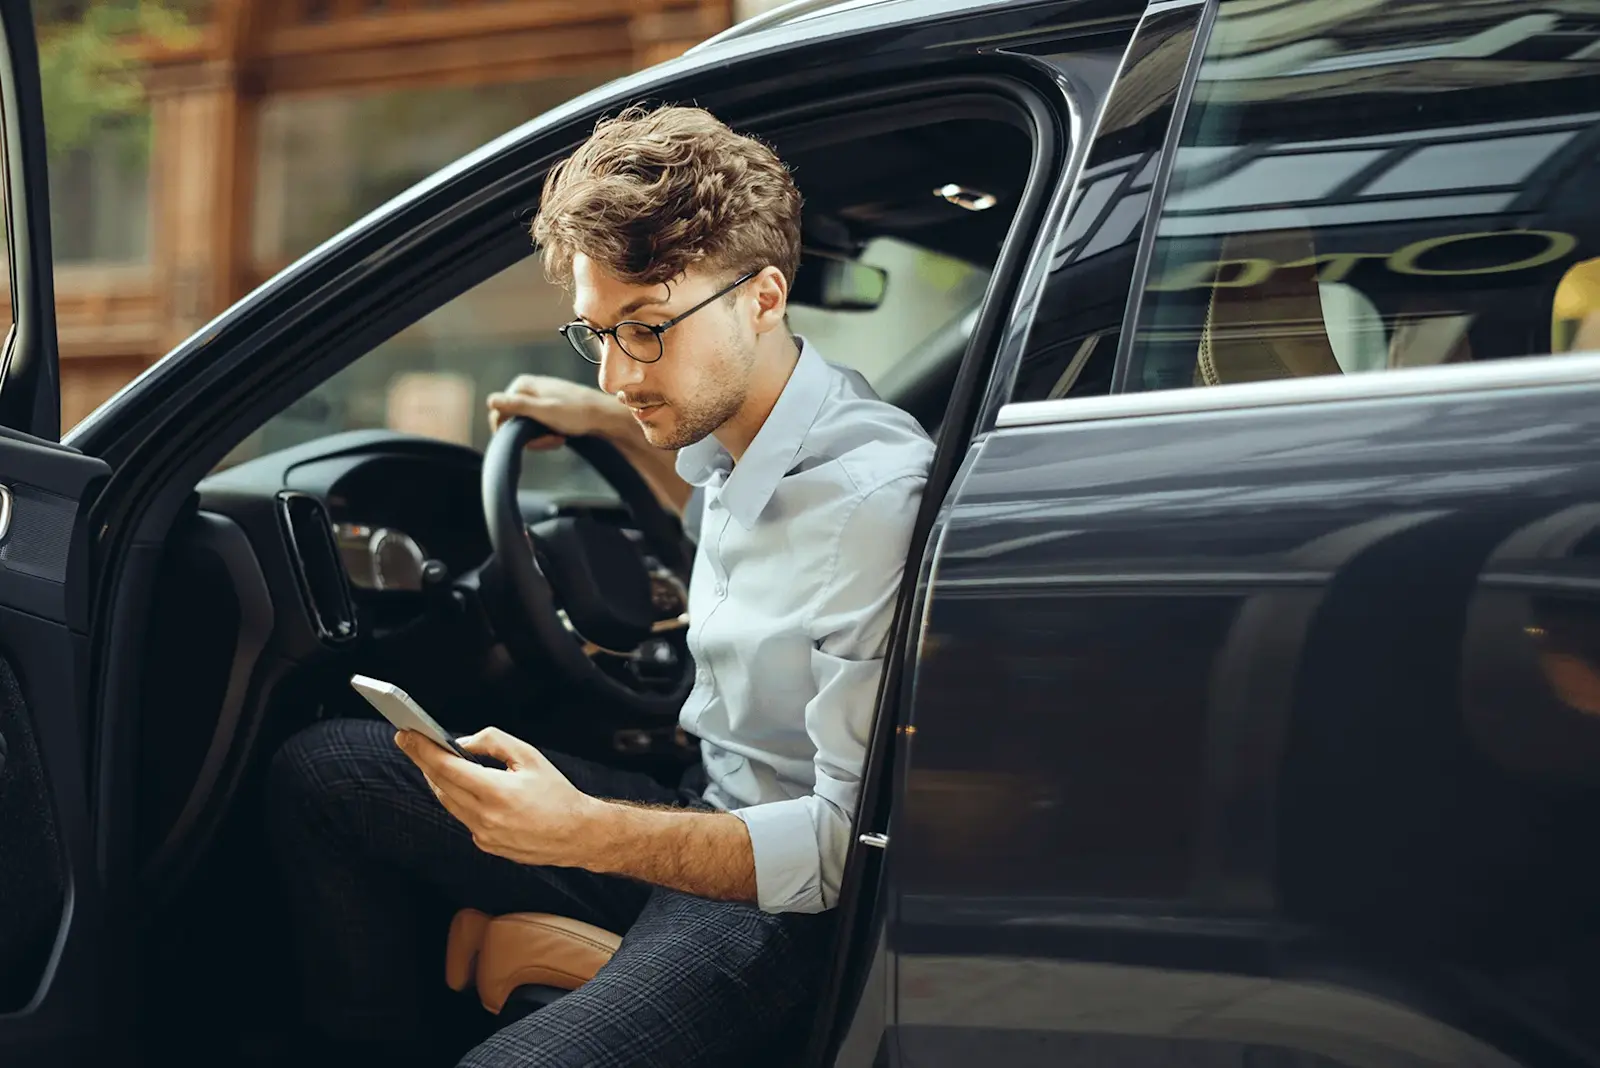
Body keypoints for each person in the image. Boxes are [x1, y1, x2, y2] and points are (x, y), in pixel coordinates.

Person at [267, 103, 933, 1068]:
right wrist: (616, 428)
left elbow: (845, 848)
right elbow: (718, 518)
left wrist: (582, 833)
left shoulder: (871, 500)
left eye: (648, 330)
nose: (621, 370)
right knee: (328, 774)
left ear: (763, 296)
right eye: (597, 333)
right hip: (696, 801)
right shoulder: (748, 432)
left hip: (780, 905)